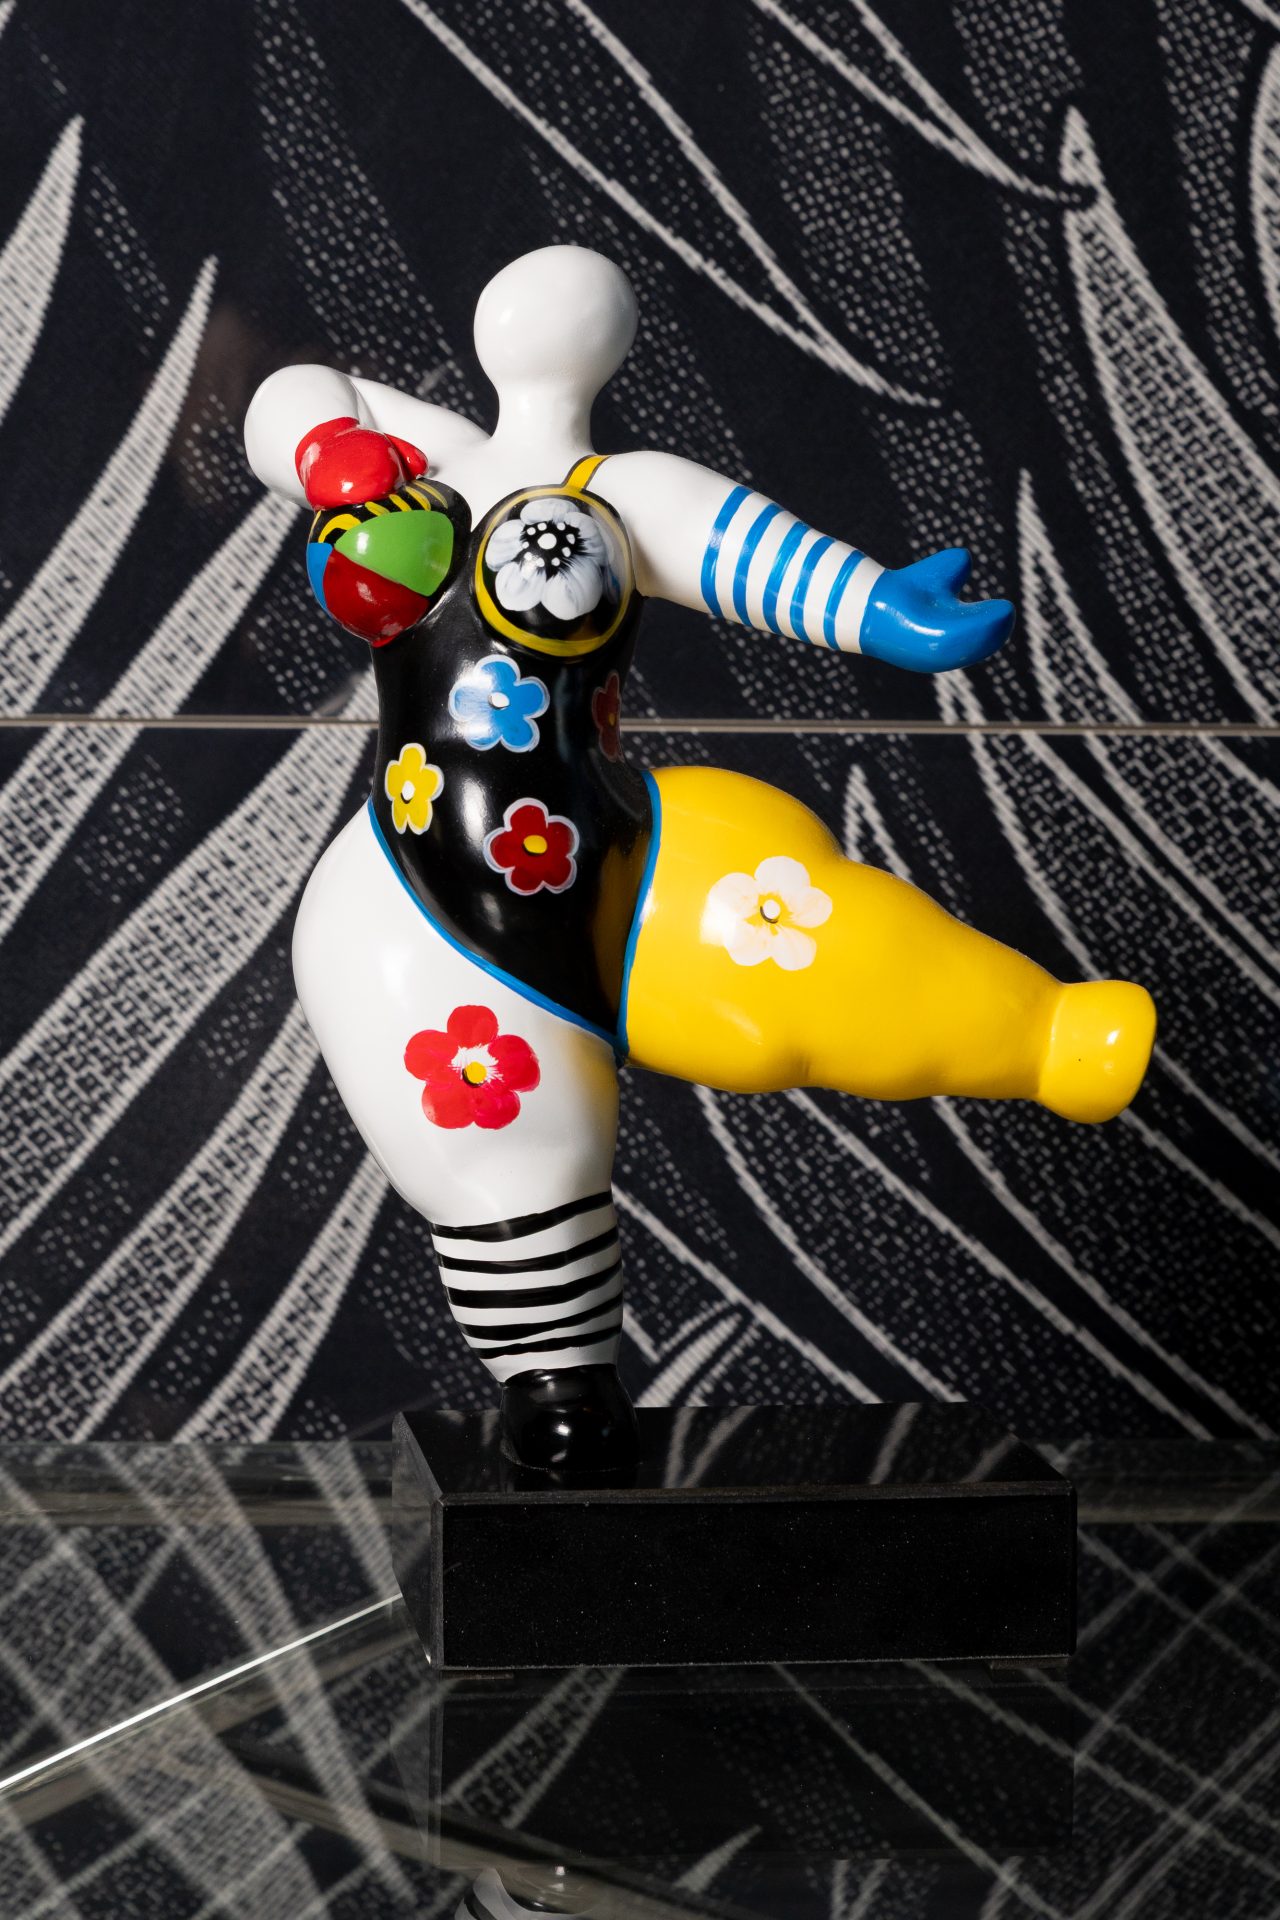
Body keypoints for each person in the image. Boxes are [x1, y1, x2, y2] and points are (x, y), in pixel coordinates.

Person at [244, 246, 1154, 1473]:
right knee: (496, 1153)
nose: (539, 307)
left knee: (800, 945)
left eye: (575, 296)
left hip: (612, 863)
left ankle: (1046, 1037)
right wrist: (325, 452)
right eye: (526, 288)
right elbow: (286, 400)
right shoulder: (424, 457)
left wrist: (880, 607)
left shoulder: (618, 490)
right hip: (412, 886)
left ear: (611, 342)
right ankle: (557, 1391)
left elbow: (745, 554)